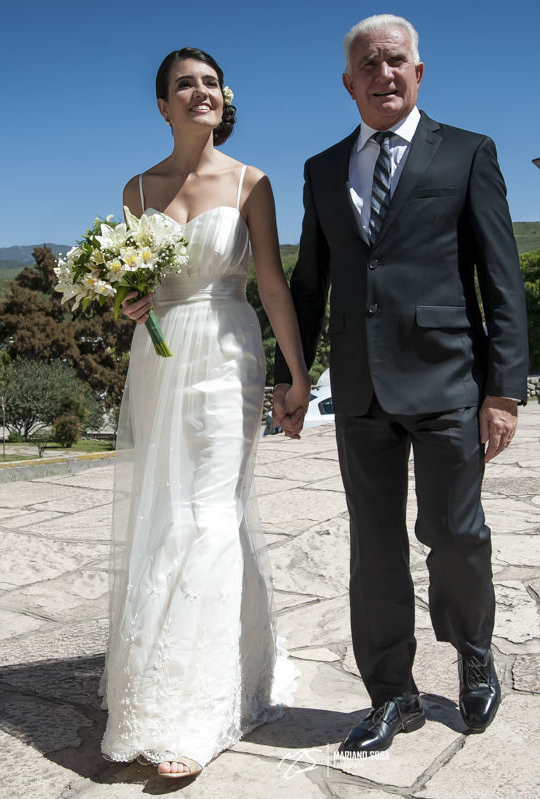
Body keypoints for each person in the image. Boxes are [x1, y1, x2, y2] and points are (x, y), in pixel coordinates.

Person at [273, 15, 529, 754]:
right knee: (373, 550)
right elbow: (310, 281)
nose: (383, 74)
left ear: (419, 73)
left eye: (396, 61)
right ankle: (393, 694)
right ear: (348, 82)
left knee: (455, 535)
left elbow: (500, 277)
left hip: (450, 380)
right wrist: (296, 380)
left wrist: (503, 389)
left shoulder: (469, 153)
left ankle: (474, 657)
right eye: (368, 65)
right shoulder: (323, 170)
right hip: (359, 393)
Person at [104, 47, 311, 779]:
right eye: (185, 84)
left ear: (225, 99)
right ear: (162, 105)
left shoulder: (252, 182)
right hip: (160, 361)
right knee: (167, 511)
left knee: (211, 511)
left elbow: (271, 283)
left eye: (211, 83)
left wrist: (296, 371)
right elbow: (133, 290)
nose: (201, 92)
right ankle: (158, 685)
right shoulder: (137, 188)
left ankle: (199, 708)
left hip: (228, 356)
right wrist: (127, 303)